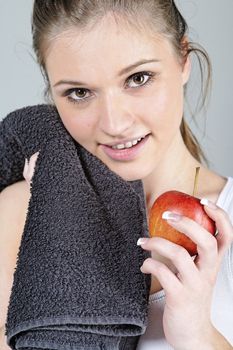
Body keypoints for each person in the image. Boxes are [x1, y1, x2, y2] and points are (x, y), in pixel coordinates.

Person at [0, 1, 233, 349]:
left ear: (183, 58)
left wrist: (199, 335)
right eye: (79, 93)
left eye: (138, 78)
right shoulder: (20, 215)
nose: (114, 124)